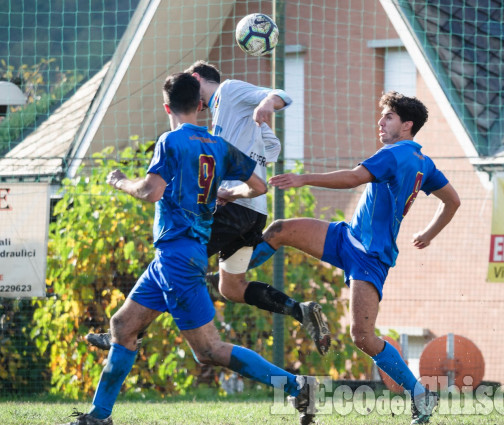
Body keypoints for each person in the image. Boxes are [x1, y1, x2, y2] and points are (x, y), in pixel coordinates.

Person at [61, 73, 317, 425]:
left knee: (209, 350)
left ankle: (297, 386)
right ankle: (99, 416)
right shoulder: (218, 145)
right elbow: (258, 186)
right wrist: (229, 193)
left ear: (167, 106)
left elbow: (150, 191)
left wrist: (120, 181)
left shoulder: (171, 141)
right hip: (175, 255)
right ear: (200, 105)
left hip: (178, 256)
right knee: (122, 325)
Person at [86, 60, 330, 356]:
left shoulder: (227, 91)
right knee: (231, 288)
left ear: (195, 77)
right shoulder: (221, 119)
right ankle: (301, 311)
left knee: (176, 263)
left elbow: (281, 94)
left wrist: (267, 102)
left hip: (237, 208)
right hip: (250, 208)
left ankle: (128, 331)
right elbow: (271, 149)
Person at [246, 91, 461, 424]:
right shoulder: (423, 161)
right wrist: (429, 234)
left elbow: (353, 177)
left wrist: (303, 178)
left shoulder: (395, 154)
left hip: (370, 256)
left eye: (388, 117)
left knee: (362, 337)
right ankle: (230, 273)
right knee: (280, 230)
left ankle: (420, 395)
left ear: (407, 125)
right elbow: (453, 201)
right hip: (348, 237)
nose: (380, 121)